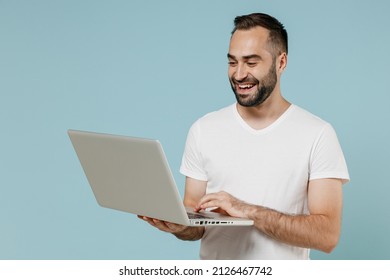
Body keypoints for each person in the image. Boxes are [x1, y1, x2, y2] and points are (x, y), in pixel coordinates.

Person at [139, 12, 350, 259]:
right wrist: (179, 226)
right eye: (232, 62)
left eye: (251, 63)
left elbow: (326, 236)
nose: (239, 75)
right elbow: (196, 224)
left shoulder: (317, 134)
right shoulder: (203, 129)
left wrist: (245, 210)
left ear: (281, 63)